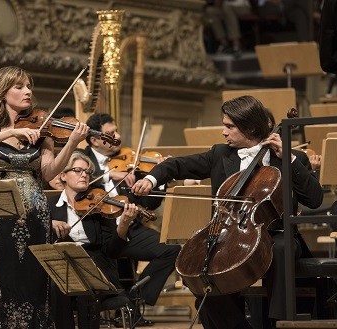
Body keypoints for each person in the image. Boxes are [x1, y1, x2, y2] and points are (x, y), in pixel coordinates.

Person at [132, 95, 324, 328]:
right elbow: (177, 165)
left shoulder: (291, 157)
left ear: (250, 127)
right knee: (201, 270)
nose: (223, 132)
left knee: (281, 249)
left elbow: (314, 199)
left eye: (229, 126)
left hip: (276, 232)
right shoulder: (220, 154)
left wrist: (290, 159)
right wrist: (152, 179)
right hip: (230, 233)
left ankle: (279, 322)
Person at [0, 66, 89, 328]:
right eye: (19, 86)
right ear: (2, 92)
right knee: (6, 280)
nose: (28, 91)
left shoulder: (42, 129)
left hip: (36, 216)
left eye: (29, 86)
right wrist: (11, 132)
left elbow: (49, 172)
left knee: (36, 282)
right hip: (2, 216)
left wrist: (72, 144)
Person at [80, 113, 181, 319]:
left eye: (116, 131)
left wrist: (159, 176)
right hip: (101, 231)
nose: (117, 136)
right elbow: (76, 184)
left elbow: (148, 203)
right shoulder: (81, 159)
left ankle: (133, 298)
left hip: (129, 228)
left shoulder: (129, 161)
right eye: (110, 133)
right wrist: (109, 174)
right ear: (95, 140)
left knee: (172, 250)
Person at [48, 151, 139, 329]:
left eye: (87, 172)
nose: (84, 174)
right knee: (56, 285)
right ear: (63, 175)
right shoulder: (50, 206)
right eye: (78, 170)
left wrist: (123, 226)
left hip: (96, 268)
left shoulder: (100, 204)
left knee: (84, 286)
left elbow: (112, 251)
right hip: (63, 266)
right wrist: (49, 223)